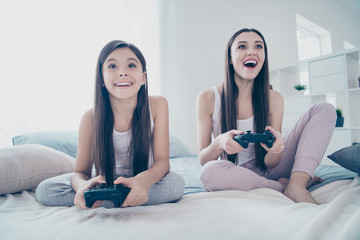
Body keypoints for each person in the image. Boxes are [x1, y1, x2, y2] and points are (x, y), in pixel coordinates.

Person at [36, 40, 185, 209]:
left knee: (176, 183)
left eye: (131, 65)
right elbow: (81, 173)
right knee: (45, 190)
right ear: (101, 78)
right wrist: (83, 187)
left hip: (143, 177)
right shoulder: (90, 118)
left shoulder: (158, 105)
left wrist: (142, 182)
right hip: (105, 181)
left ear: (143, 77)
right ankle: (120, 198)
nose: (122, 72)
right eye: (112, 66)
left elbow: (162, 162)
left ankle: (107, 199)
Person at [196, 28, 336, 204]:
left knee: (324, 108)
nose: (251, 51)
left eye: (258, 46)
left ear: (263, 57)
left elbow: (272, 163)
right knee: (208, 172)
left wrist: (275, 149)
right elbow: (203, 159)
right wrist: (219, 142)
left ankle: (297, 184)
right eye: (242, 46)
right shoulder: (208, 98)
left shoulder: (274, 98)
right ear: (230, 59)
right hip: (236, 172)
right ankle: (283, 187)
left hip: (270, 168)